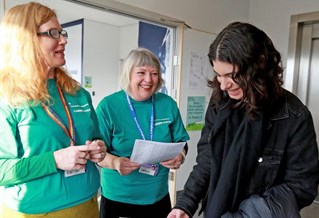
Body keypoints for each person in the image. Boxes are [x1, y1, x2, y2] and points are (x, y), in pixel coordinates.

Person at [168, 22, 319, 218]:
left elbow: (301, 187)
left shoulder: (295, 116)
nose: (223, 85)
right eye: (219, 75)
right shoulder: (219, 103)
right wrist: (185, 204)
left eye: (232, 75)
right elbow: (207, 160)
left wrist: (243, 215)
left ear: (257, 68)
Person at [0, 2, 106, 217]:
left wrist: (99, 147)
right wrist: (55, 160)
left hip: (87, 203)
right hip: (35, 211)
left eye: (62, 32)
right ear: (26, 39)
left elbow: (96, 137)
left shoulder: (77, 92)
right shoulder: (7, 96)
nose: (64, 40)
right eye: (53, 33)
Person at [95, 48, 190, 218]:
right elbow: (97, 154)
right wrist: (116, 162)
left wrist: (180, 155)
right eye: (141, 73)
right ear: (128, 75)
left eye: (154, 73)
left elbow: (182, 141)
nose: (148, 79)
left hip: (158, 195)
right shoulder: (108, 106)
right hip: (120, 197)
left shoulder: (167, 104)